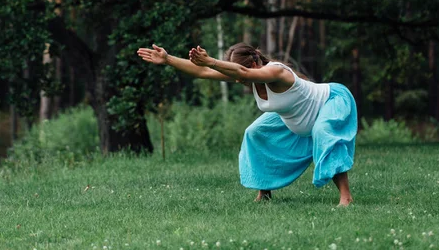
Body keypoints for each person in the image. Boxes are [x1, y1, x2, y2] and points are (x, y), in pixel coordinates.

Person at [137, 42, 357, 206]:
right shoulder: (245, 74)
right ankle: (264, 192)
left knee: (323, 131)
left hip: (331, 101)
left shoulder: (277, 71)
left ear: (253, 64)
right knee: (255, 132)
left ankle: (346, 198)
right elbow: (204, 71)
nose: (238, 80)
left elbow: (239, 72)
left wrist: (211, 60)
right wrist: (168, 59)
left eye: (240, 73)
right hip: (297, 115)